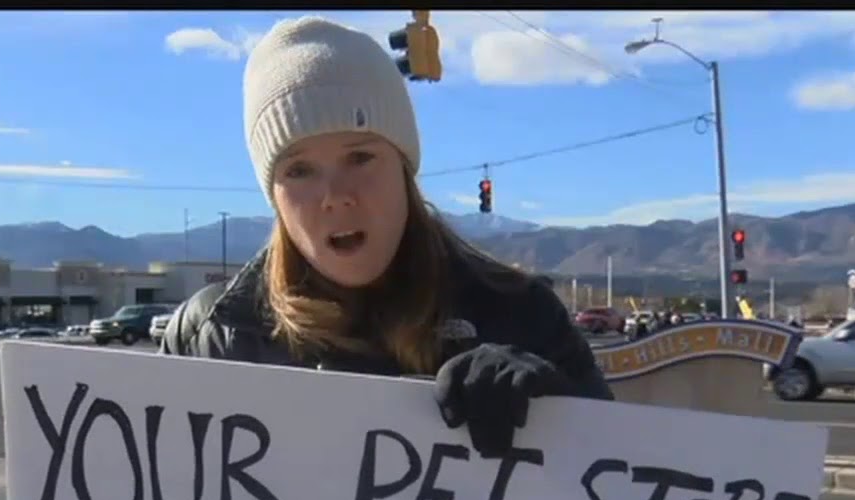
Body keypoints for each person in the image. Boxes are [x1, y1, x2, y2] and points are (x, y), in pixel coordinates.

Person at [159, 16, 613, 459]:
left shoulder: (522, 314)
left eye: (359, 157)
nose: (335, 197)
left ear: (403, 167)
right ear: (274, 194)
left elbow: (625, 494)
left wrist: (561, 412)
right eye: (299, 170)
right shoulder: (211, 335)